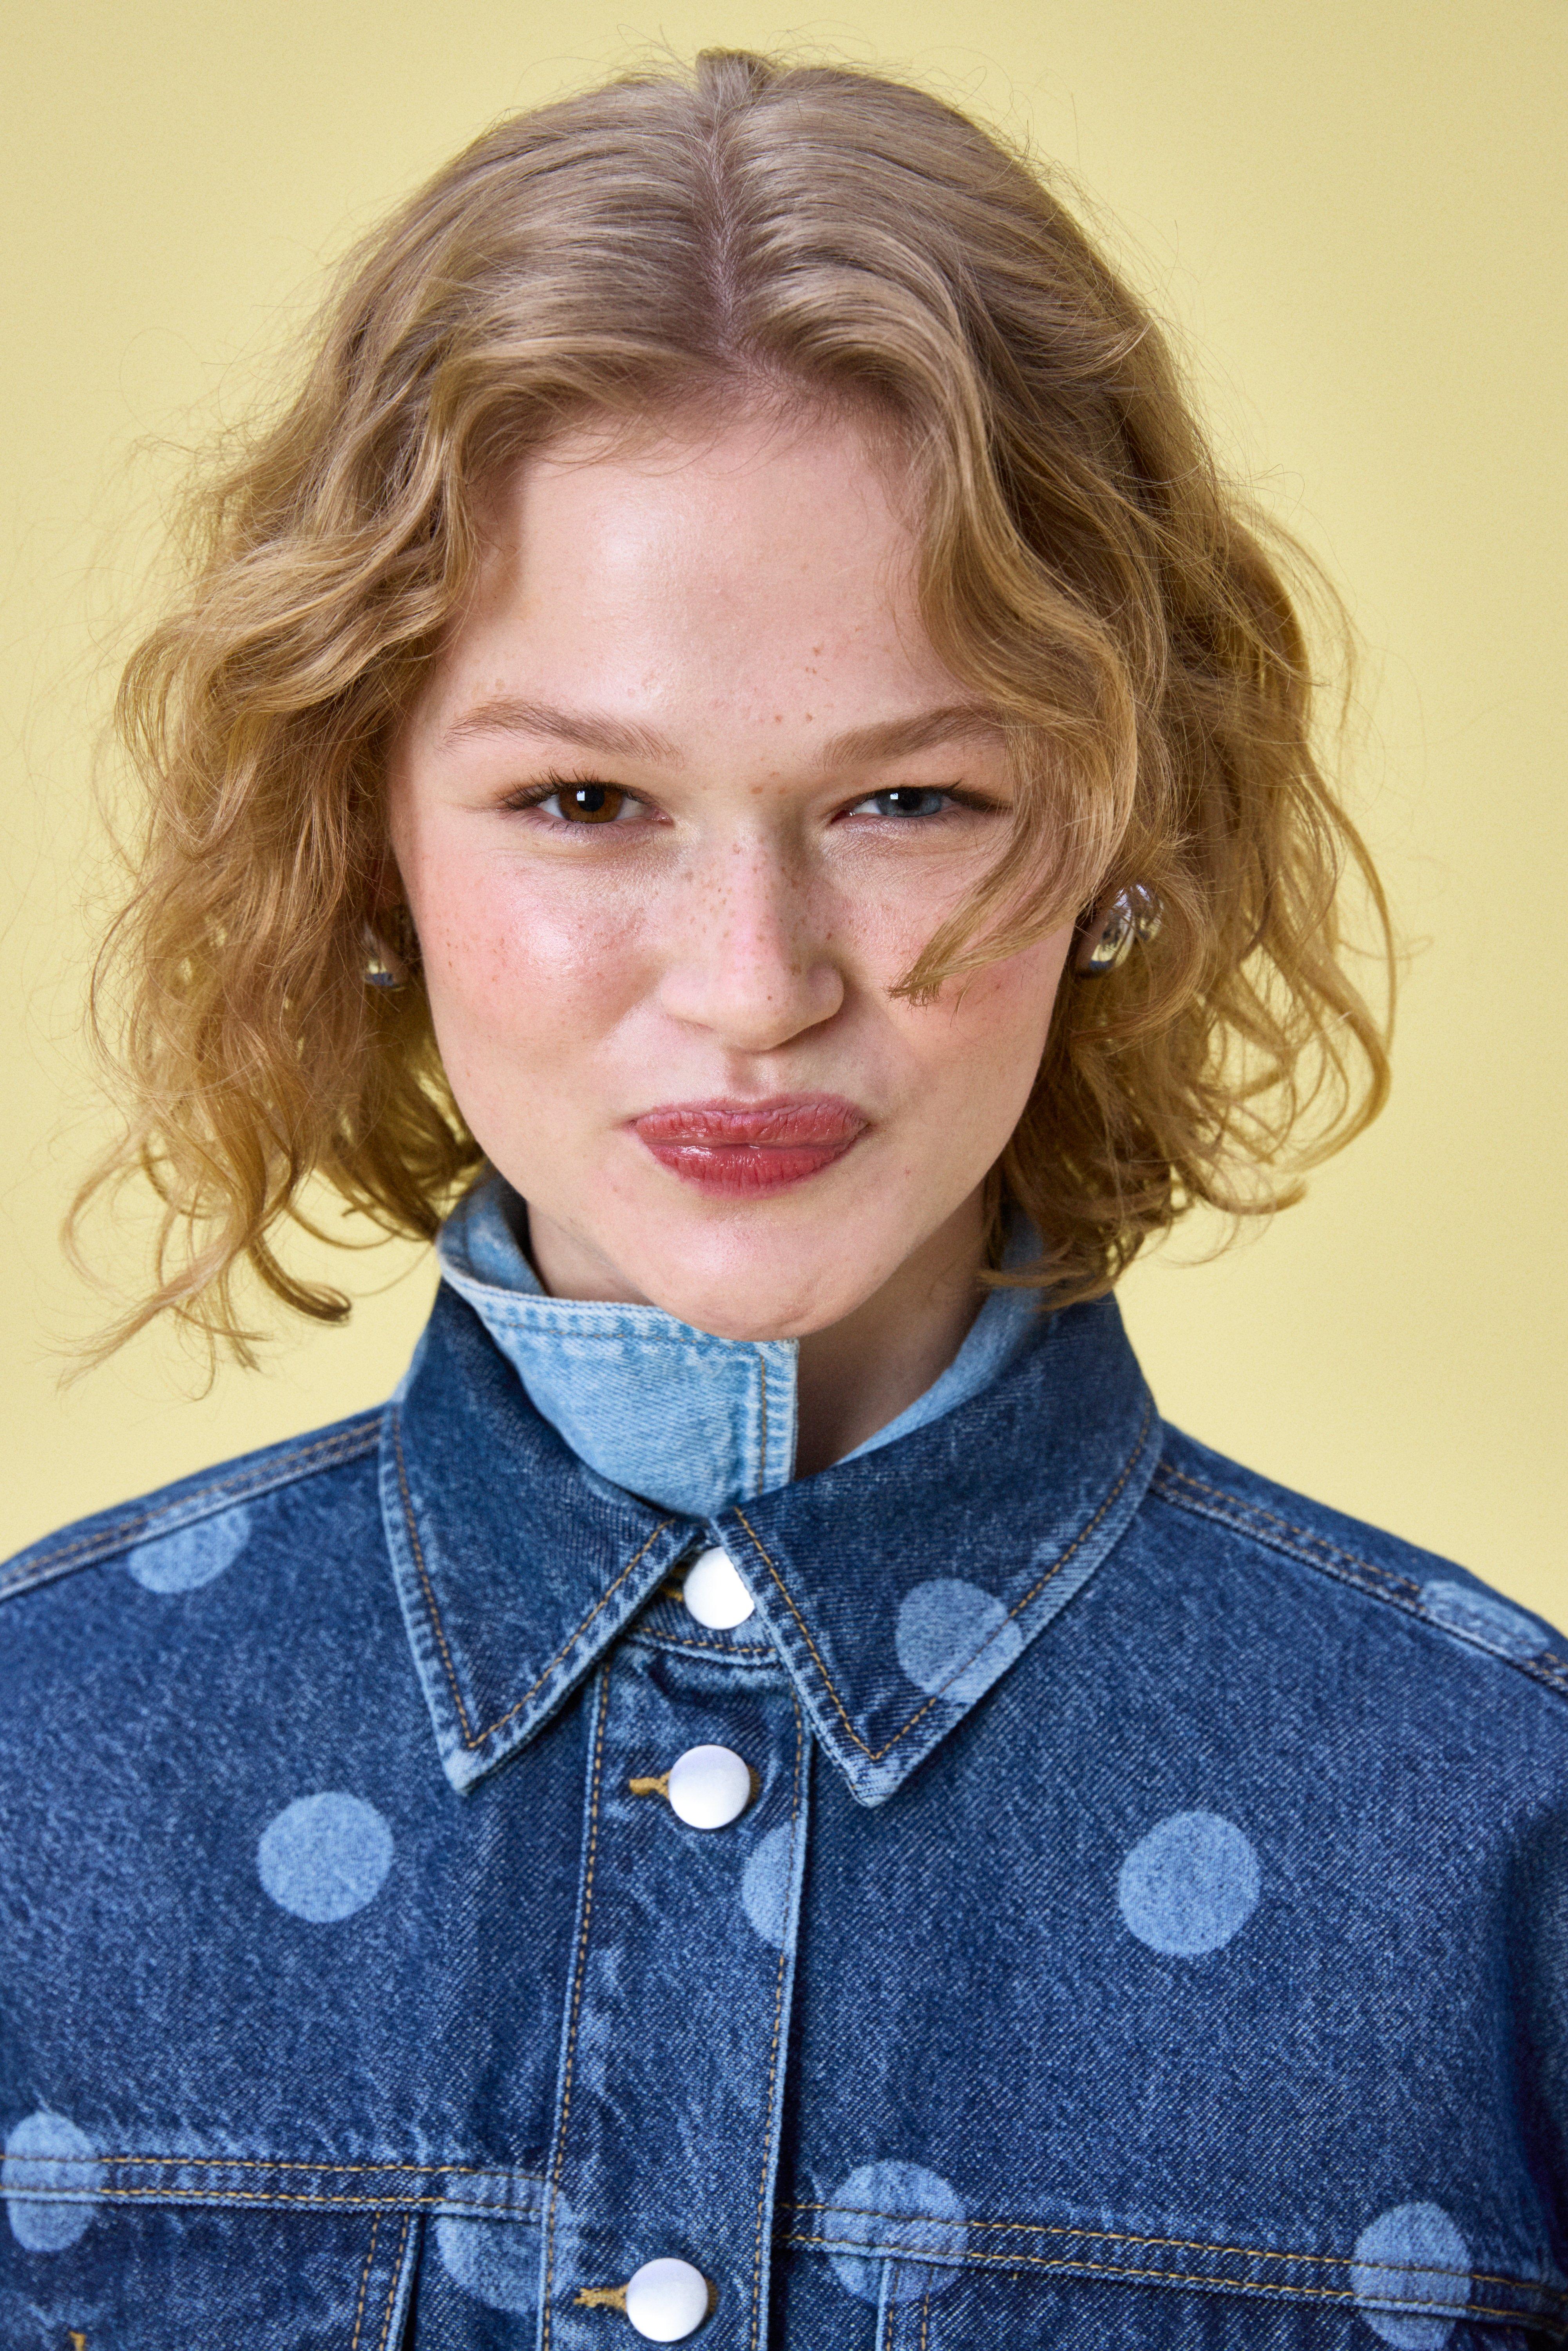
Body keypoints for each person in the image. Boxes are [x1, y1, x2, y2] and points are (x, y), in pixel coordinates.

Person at [2, 47, 1563, 2351]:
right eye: (584, 802)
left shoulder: (1497, 1837)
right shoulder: (32, 1781)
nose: (752, 991)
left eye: (910, 796)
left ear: (1124, 832)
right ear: (365, 837)